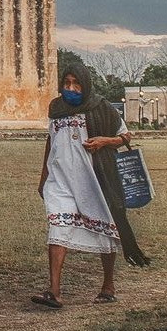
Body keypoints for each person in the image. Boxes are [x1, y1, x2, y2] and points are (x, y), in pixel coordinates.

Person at [31, 63, 149, 309]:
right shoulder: (56, 108)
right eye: (66, 83)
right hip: (60, 180)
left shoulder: (101, 107)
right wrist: (44, 177)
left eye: (76, 84)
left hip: (95, 179)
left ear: (85, 84)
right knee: (57, 227)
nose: (70, 88)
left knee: (105, 229)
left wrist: (105, 141)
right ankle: (54, 291)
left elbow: (125, 136)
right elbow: (50, 141)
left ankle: (108, 286)